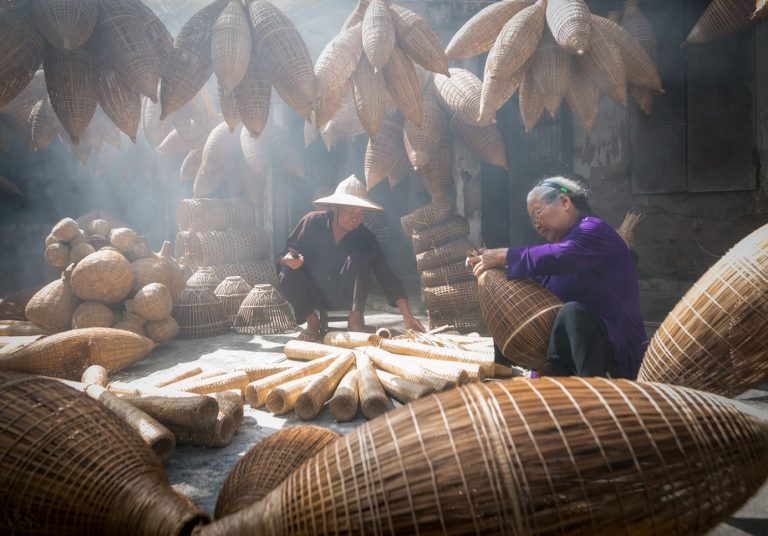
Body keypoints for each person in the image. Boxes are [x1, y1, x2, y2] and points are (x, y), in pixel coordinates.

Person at [466, 176, 647, 380]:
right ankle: (503, 378)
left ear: (564, 202)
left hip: (617, 351)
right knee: (507, 313)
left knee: (571, 313)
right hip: (571, 350)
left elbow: (562, 256)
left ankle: (593, 394)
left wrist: (506, 255)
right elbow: (535, 278)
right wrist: (494, 272)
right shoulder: (555, 252)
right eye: (531, 219)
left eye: (537, 212)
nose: (536, 224)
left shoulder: (594, 230)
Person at [278, 174, 425, 341]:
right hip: (312, 296)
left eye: (360, 213)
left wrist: (407, 316)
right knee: (286, 273)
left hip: (345, 297)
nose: (356, 218)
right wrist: (289, 260)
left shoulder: (365, 237)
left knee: (359, 256)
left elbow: (387, 275)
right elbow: (284, 255)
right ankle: (312, 322)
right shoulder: (311, 222)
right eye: (350, 211)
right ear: (335, 208)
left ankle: (355, 321)